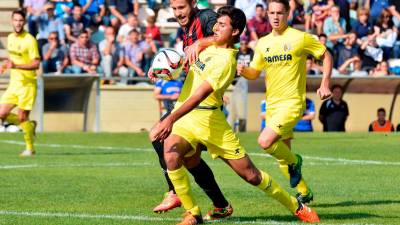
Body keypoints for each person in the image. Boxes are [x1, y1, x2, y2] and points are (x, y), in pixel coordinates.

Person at [152, 6, 320, 224]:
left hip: (211, 121)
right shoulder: (207, 47)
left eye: (222, 25)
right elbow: (181, 65)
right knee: (171, 153)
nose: (215, 27)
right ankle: (192, 213)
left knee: (251, 175)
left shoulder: (226, 61)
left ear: (234, 31)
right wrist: (160, 70)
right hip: (187, 118)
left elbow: (200, 95)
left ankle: (295, 205)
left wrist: (170, 118)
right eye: (216, 23)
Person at [237, 0, 332, 204]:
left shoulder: (300, 38)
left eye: (280, 12)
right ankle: (304, 191)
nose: (275, 17)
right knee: (282, 155)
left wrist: (325, 83)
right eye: (271, 12)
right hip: (272, 105)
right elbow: (255, 73)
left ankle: (296, 161)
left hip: (292, 103)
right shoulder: (262, 43)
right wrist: (245, 71)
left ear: (287, 13)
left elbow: (326, 55)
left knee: (265, 141)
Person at [147, 0, 233, 218]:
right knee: (190, 158)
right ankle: (220, 205)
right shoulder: (186, 28)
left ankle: (175, 192)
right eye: (174, 9)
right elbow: (189, 61)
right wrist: (160, 70)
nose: (178, 13)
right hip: (194, 100)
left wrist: (201, 43)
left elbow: (223, 38)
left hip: (204, 104)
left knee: (159, 136)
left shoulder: (205, 18)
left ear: (193, 3)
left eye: (182, 8)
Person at [0, 10, 40, 157]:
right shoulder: (10, 37)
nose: (18, 23)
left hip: (28, 85)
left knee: (22, 116)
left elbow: (36, 64)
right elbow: (14, 60)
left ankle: (30, 149)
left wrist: (15, 66)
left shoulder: (30, 40)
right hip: (14, 84)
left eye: (20, 20)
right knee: (1, 114)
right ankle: (30, 125)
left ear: (24, 22)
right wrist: (5, 65)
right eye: (15, 20)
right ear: (11, 21)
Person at [227, 35, 253, 132]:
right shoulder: (236, 53)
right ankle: (232, 128)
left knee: (242, 108)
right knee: (233, 108)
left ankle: (242, 129)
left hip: (246, 80)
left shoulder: (251, 52)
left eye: (245, 43)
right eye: (241, 43)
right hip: (236, 82)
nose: (243, 45)